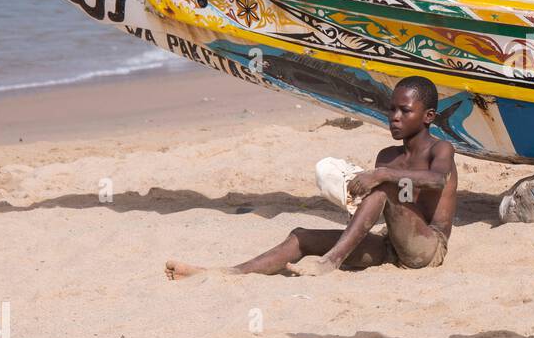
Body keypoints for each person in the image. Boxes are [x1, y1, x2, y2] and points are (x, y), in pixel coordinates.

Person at [166, 76, 457, 279]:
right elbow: (390, 209)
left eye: (404, 110)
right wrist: (356, 198)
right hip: (392, 245)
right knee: (302, 237)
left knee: (384, 187)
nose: (394, 116)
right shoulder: (387, 156)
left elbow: (438, 180)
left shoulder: (440, 149)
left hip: (428, 248)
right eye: (391, 109)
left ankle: (330, 262)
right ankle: (229, 272)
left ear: (428, 116)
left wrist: (381, 176)